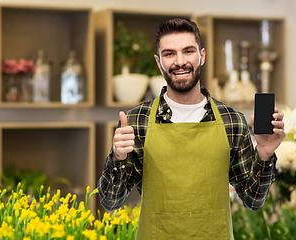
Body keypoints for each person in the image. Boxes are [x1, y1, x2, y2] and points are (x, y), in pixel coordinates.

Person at [97, 17, 285, 239]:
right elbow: (110, 201)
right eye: (169, 54)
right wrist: (117, 158)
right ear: (159, 63)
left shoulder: (231, 121)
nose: (180, 61)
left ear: (201, 56)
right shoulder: (137, 120)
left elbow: (253, 200)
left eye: (188, 51)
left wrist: (263, 154)